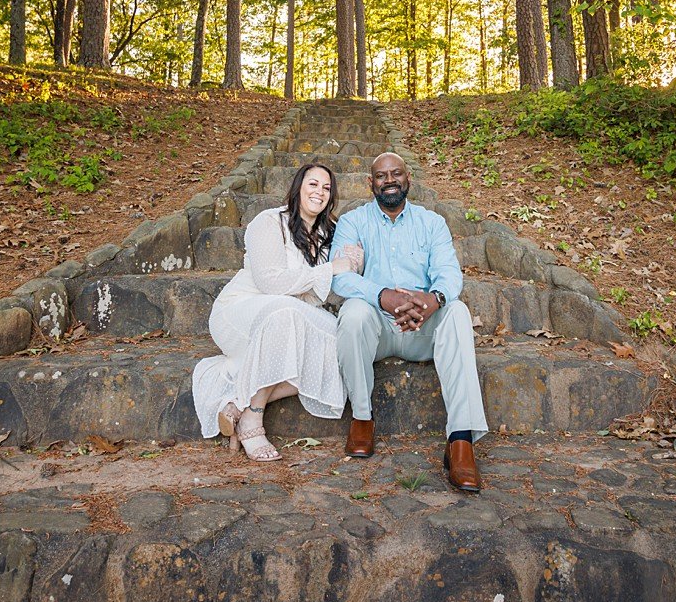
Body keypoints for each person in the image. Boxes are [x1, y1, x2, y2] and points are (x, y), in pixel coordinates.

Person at [330, 151, 488, 492]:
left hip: (422, 327)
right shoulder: (353, 223)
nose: (389, 180)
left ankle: (460, 442)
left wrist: (433, 300)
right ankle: (361, 417)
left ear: (408, 179)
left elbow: (448, 274)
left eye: (396, 173)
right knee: (353, 312)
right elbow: (340, 278)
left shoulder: (432, 223)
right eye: (381, 175)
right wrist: (383, 295)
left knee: (457, 311)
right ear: (370, 183)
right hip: (378, 328)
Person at [191, 162, 362, 462]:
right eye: (313, 184)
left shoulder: (326, 236)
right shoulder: (268, 222)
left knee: (340, 345)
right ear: (298, 188)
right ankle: (252, 420)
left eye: (326, 188)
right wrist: (330, 269)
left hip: (290, 316)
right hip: (241, 313)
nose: (319, 192)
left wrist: (353, 260)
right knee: (284, 311)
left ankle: (239, 402)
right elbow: (270, 282)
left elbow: (325, 291)